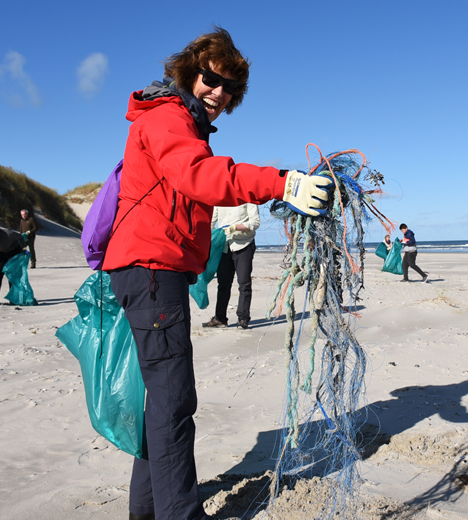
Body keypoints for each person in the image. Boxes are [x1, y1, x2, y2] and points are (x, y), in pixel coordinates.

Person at [101, 27, 333, 520]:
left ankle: (146, 511)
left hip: (149, 268)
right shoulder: (167, 117)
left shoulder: (177, 119)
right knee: (174, 402)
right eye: (211, 79)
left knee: (163, 402)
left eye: (230, 89)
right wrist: (281, 182)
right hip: (148, 268)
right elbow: (202, 177)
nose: (219, 93)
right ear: (189, 72)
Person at [203, 203, 259, 329]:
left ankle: (243, 319)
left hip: (244, 245)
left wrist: (237, 227)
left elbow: (255, 222)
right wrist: (209, 236)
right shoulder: (220, 199)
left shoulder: (248, 199)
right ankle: (220, 318)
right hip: (224, 245)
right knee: (223, 284)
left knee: (244, 284)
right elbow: (211, 221)